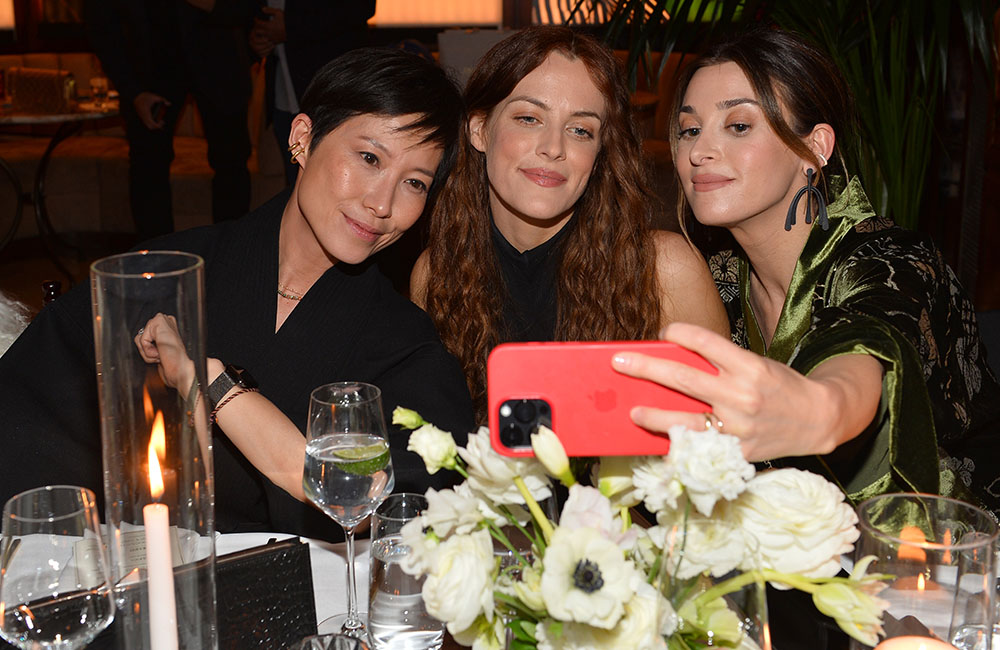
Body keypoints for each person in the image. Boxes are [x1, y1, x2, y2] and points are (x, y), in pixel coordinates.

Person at [0, 48, 473, 542]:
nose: (382, 203)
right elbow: (28, 422)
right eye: (369, 158)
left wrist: (212, 382)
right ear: (303, 138)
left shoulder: (404, 346)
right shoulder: (158, 280)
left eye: (414, 183)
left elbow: (407, 512)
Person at [611, 27, 1000, 518]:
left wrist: (820, 408)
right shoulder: (717, 280)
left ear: (815, 148)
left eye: (738, 125)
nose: (699, 151)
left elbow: (863, 354)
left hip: (956, 556)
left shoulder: (890, 259)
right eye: (690, 129)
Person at [411, 26, 729, 419]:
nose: (554, 148)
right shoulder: (436, 274)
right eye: (529, 118)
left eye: (580, 130)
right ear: (480, 129)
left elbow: (720, 446)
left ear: (599, 153)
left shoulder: (664, 270)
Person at [83, 0, 255, 240]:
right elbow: (101, 26)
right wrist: (133, 91)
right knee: (148, 168)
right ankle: (156, 267)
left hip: (219, 68)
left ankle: (233, 259)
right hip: (148, 73)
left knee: (231, 163)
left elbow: (245, 10)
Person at [249, 0, 375, 186]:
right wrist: (257, 37)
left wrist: (292, 27)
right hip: (283, 84)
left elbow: (361, 6)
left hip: (334, 84)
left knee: (337, 180)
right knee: (296, 183)